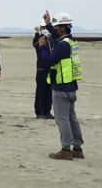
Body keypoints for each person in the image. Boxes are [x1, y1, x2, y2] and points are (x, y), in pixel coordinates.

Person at [39, 11, 84, 160]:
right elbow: (56, 37)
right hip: (71, 86)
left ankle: (66, 149)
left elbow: (49, 60)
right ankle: (77, 148)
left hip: (61, 88)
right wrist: (48, 24)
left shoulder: (62, 45)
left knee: (62, 119)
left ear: (63, 28)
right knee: (72, 118)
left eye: (57, 27)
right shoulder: (71, 42)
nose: (56, 29)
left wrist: (43, 47)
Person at [33, 20, 53, 119]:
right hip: (41, 69)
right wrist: (38, 33)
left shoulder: (51, 39)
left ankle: (47, 111)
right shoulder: (39, 38)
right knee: (40, 91)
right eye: (43, 28)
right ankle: (39, 112)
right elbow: (36, 45)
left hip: (50, 68)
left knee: (49, 91)